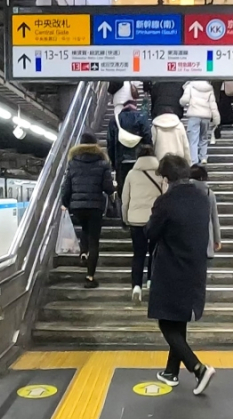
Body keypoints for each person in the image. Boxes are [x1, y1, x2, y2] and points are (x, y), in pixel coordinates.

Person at [146, 154, 216, 395]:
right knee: (178, 319)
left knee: (166, 322)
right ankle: (171, 371)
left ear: (167, 178)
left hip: (171, 268)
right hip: (195, 267)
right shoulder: (202, 197)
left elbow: (150, 233)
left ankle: (198, 369)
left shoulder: (166, 201)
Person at [61, 132, 114, 289]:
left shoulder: (72, 162)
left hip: (77, 207)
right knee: (94, 240)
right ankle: (90, 277)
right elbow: (108, 187)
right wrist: (112, 192)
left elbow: (66, 186)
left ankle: (83, 252)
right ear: (95, 145)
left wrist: (65, 203)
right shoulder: (103, 163)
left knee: (85, 228)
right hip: (95, 206)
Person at [121, 145, 164, 305]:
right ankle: (151, 282)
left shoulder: (132, 174)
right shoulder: (160, 174)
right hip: (155, 220)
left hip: (136, 220)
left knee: (138, 254)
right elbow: (165, 196)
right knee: (155, 252)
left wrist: (125, 218)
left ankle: (136, 287)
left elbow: (125, 199)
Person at [107, 99, 152, 196]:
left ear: (123, 107)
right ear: (135, 106)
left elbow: (110, 144)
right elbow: (148, 137)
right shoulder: (142, 118)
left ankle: (123, 205)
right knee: (139, 188)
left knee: (123, 189)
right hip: (139, 160)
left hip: (121, 160)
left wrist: (114, 163)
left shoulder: (115, 120)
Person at [179, 81, 220, 165]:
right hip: (206, 116)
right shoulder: (209, 88)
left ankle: (194, 160)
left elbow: (185, 100)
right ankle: (203, 157)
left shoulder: (190, 85)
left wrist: (181, 102)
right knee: (204, 137)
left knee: (193, 139)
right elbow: (213, 105)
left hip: (194, 115)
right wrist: (216, 119)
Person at [190, 165, 222, 260]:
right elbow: (214, 217)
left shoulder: (184, 191)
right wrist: (217, 239)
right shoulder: (209, 193)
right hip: (206, 237)